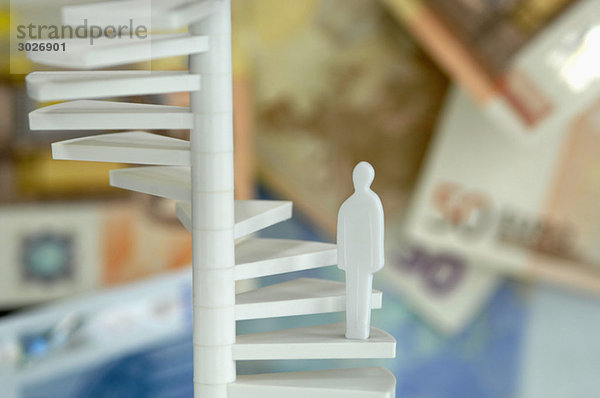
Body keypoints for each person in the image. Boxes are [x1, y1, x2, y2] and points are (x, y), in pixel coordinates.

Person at [337, 161, 384, 340]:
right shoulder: (348, 206)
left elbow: (376, 233)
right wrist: (342, 258)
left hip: (364, 258)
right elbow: (342, 235)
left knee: (362, 293)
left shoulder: (372, 203)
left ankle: (360, 328)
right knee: (353, 295)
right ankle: (354, 328)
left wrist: (376, 259)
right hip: (354, 257)